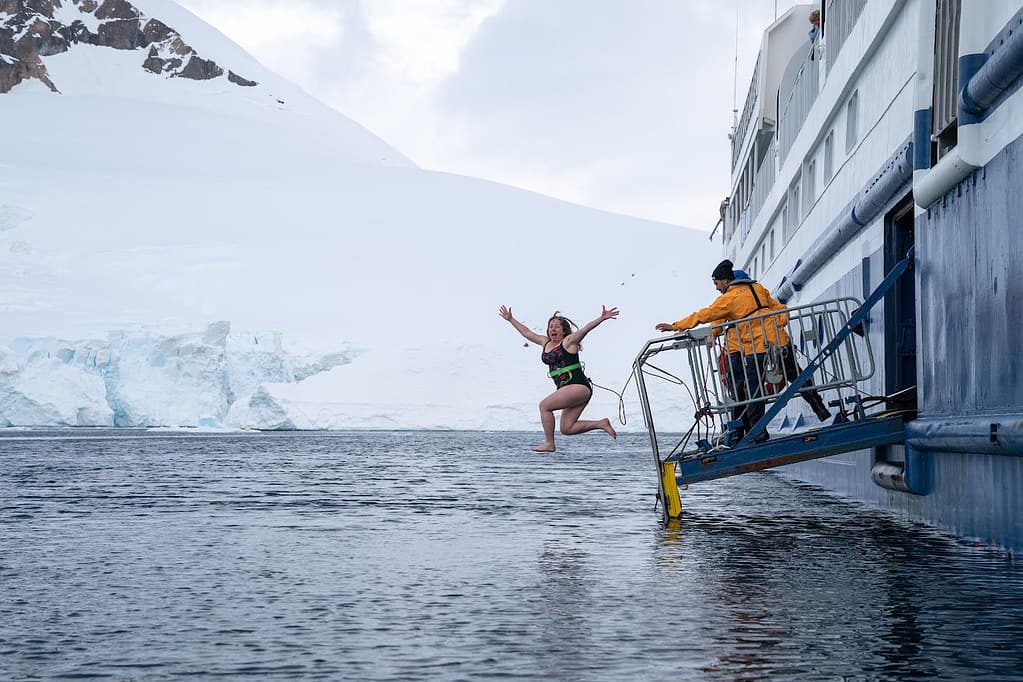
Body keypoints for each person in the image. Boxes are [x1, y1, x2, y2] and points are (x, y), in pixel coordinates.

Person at [655, 260, 830, 443]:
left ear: (724, 280)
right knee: (799, 377)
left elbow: (704, 315)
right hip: (779, 341)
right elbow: (779, 308)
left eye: (716, 283)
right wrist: (778, 323)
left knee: (754, 391)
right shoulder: (757, 288)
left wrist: (676, 326)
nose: (716, 288)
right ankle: (822, 411)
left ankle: (758, 431)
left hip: (756, 348)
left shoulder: (728, 299)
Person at [499, 305, 619, 452]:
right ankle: (601, 424)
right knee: (567, 428)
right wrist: (511, 319)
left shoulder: (569, 342)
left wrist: (601, 318)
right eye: (551, 327)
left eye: (557, 327)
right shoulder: (545, 342)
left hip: (578, 386)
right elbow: (527, 333)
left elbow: (585, 330)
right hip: (567, 389)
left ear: (564, 330)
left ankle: (549, 443)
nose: (553, 329)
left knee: (544, 406)